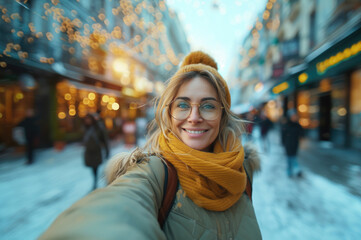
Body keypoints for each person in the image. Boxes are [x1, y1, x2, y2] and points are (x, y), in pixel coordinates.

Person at [40, 51, 262, 239]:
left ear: (223, 115)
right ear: (169, 112)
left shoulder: (241, 170)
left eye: (208, 106)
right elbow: (117, 209)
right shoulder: (155, 172)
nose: (194, 117)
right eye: (183, 105)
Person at [83, 113, 109, 190]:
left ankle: (95, 182)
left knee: (96, 167)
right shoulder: (85, 128)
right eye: (86, 119)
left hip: (96, 152)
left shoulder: (98, 128)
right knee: (92, 167)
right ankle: (95, 180)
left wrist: (107, 151)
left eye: (89, 119)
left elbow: (104, 140)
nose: (87, 121)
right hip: (88, 152)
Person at [281, 109, 303, 178]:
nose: (294, 117)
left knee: (292, 157)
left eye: (295, 116)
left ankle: (290, 172)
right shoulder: (286, 125)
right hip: (288, 144)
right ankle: (295, 170)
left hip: (295, 144)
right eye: (292, 116)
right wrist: (283, 143)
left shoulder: (297, 125)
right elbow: (283, 135)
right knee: (290, 158)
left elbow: (302, 133)